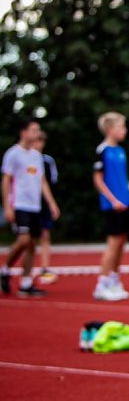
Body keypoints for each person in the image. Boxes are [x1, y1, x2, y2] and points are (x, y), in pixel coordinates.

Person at [92, 112, 129, 301]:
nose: (124, 130)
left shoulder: (120, 151)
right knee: (113, 242)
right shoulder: (102, 151)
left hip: (125, 203)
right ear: (111, 130)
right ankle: (101, 284)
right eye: (122, 127)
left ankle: (113, 279)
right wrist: (112, 200)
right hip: (113, 205)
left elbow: (123, 180)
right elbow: (98, 180)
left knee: (122, 242)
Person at [1, 119, 60, 298]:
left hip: (35, 206)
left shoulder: (36, 156)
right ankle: (5, 268)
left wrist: (51, 203)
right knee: (24, 240)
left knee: (32, 245)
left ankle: (25, 283)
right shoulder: (13, 154)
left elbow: (42, 181)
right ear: (23, 132)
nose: (37, 133)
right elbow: (5, 180)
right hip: (20, 204)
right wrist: (7, 206)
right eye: (33, 130)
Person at [33, 130, 59, 286]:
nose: (37, 144)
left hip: (43, 203)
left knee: (44, 234)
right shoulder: (24, 159)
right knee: (26, 239)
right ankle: (26, 272)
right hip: (27, 204)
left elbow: (50, 182)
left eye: (40, 141)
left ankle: (44, 268)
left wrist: (51, 203)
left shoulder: (47, 161)